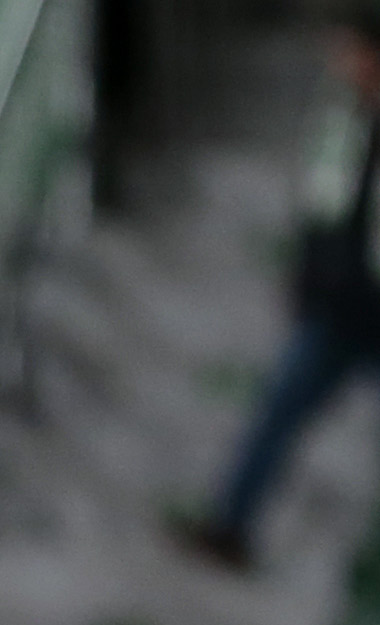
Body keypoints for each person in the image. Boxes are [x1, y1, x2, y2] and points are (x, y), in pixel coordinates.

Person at [176, 6, 380, 572]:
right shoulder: (346, 119)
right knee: (276, 415)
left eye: (353, 54)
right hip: (336, 309)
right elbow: (326, 206)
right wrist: (310, 278)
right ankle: (229, 528)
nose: (342, 67)